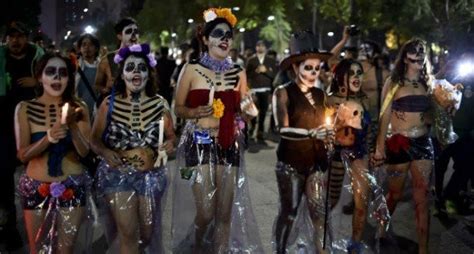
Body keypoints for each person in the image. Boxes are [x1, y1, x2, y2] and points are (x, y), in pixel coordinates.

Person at [172, 7, 262, 253]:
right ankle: (198, 244)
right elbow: (178, 108)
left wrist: (249, 109)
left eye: (228, 35)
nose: (224, 38)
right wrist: (194, 112)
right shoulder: (190, 70)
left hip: (228, 143)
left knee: (224, 212)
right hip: (198, 143)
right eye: (218, 33)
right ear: (205, 39)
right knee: (205, 211)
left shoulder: (239, 72)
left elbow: (246, 109)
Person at [91, 43, 175, 254]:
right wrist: (106, 152)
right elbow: (94, 140)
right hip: (117, 177)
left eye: (141, 67)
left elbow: (173, 137)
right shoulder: (108, 104)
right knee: (128, 233)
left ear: (149, 73)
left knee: (146, 234)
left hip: (152, 177)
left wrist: (169, 145)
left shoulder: (160, 104)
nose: (136, 71)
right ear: (122, 75)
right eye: (130, 67)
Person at [14, 52, 91, 253]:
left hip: (72, 186)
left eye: (63, 73)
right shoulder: (25, 108)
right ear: (40, 77)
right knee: (38, 248)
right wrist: (48, 137)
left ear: (69, 78)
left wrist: (72, 126)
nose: (57, 78)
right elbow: (22, 155)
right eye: (51, 72)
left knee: (65, 249)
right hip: (36, 187)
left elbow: (84, 152)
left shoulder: (79, 107)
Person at [272, 30, 334, 253]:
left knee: (319, 212)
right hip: (290, 161)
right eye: (308, 67)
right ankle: (280, 249)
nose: (314, 72)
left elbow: (325, 123)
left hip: (316, 161)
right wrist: (310, 134)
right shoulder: (283, 92)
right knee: (290, 211)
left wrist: (329, 135)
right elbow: (282, 129)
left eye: (317, 68)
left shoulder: (320, 94)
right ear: (295, 68)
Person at [372, 38, 434, 254]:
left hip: (423, 144)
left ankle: (423, 249)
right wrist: (380, 148)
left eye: (422, 52)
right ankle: (381, 226)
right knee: (395, 194)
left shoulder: (429, 82)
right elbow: (384, 115)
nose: (419, 55)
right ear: (406, 57)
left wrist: (441, 112)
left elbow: (434, 114)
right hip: (399, 143)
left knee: (422, 197)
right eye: (415, 52)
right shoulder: (394, 82)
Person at [0, 21, 44, 251]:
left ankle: (40, 223)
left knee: (37, 175)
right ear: (6, 39)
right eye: (11, 36)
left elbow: (56, 81)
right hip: (5, 130)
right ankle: (9, 228)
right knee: (4, 178)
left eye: (19, 36)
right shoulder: (1, 59)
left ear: (26, 38)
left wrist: (36, 81)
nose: (15, 41)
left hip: (35, 127)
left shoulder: (38, 59)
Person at [95, 17, 139, 105]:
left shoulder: (145, 59)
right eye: (129, 31)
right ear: (119, 36)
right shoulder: (107, 60)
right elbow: (97, 85)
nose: (133, 34)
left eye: (136, 31)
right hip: (115, 109)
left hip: (137, 108)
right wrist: (106, 88)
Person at [246, 40, 277, 149]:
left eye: (262, 46)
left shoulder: (270, 60)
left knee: (263, 113)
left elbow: (275, 75)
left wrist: (266, 71)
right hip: (255, 89)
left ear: (265, 48)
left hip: (266, 89)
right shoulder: (251, 60)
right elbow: (246, 74)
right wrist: (256, 71)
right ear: (256, 47)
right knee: (254, 111)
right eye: (258, 45)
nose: (260, 47)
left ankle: (260, 133)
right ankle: (252, 129)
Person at [75, 33, 100, 120]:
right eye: (84, 44)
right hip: (79, 111)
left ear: (96, 48)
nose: (87, 47)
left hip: (98, 110)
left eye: (91, 44)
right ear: (80, 48)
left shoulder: (102, 66)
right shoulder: (75, 67)